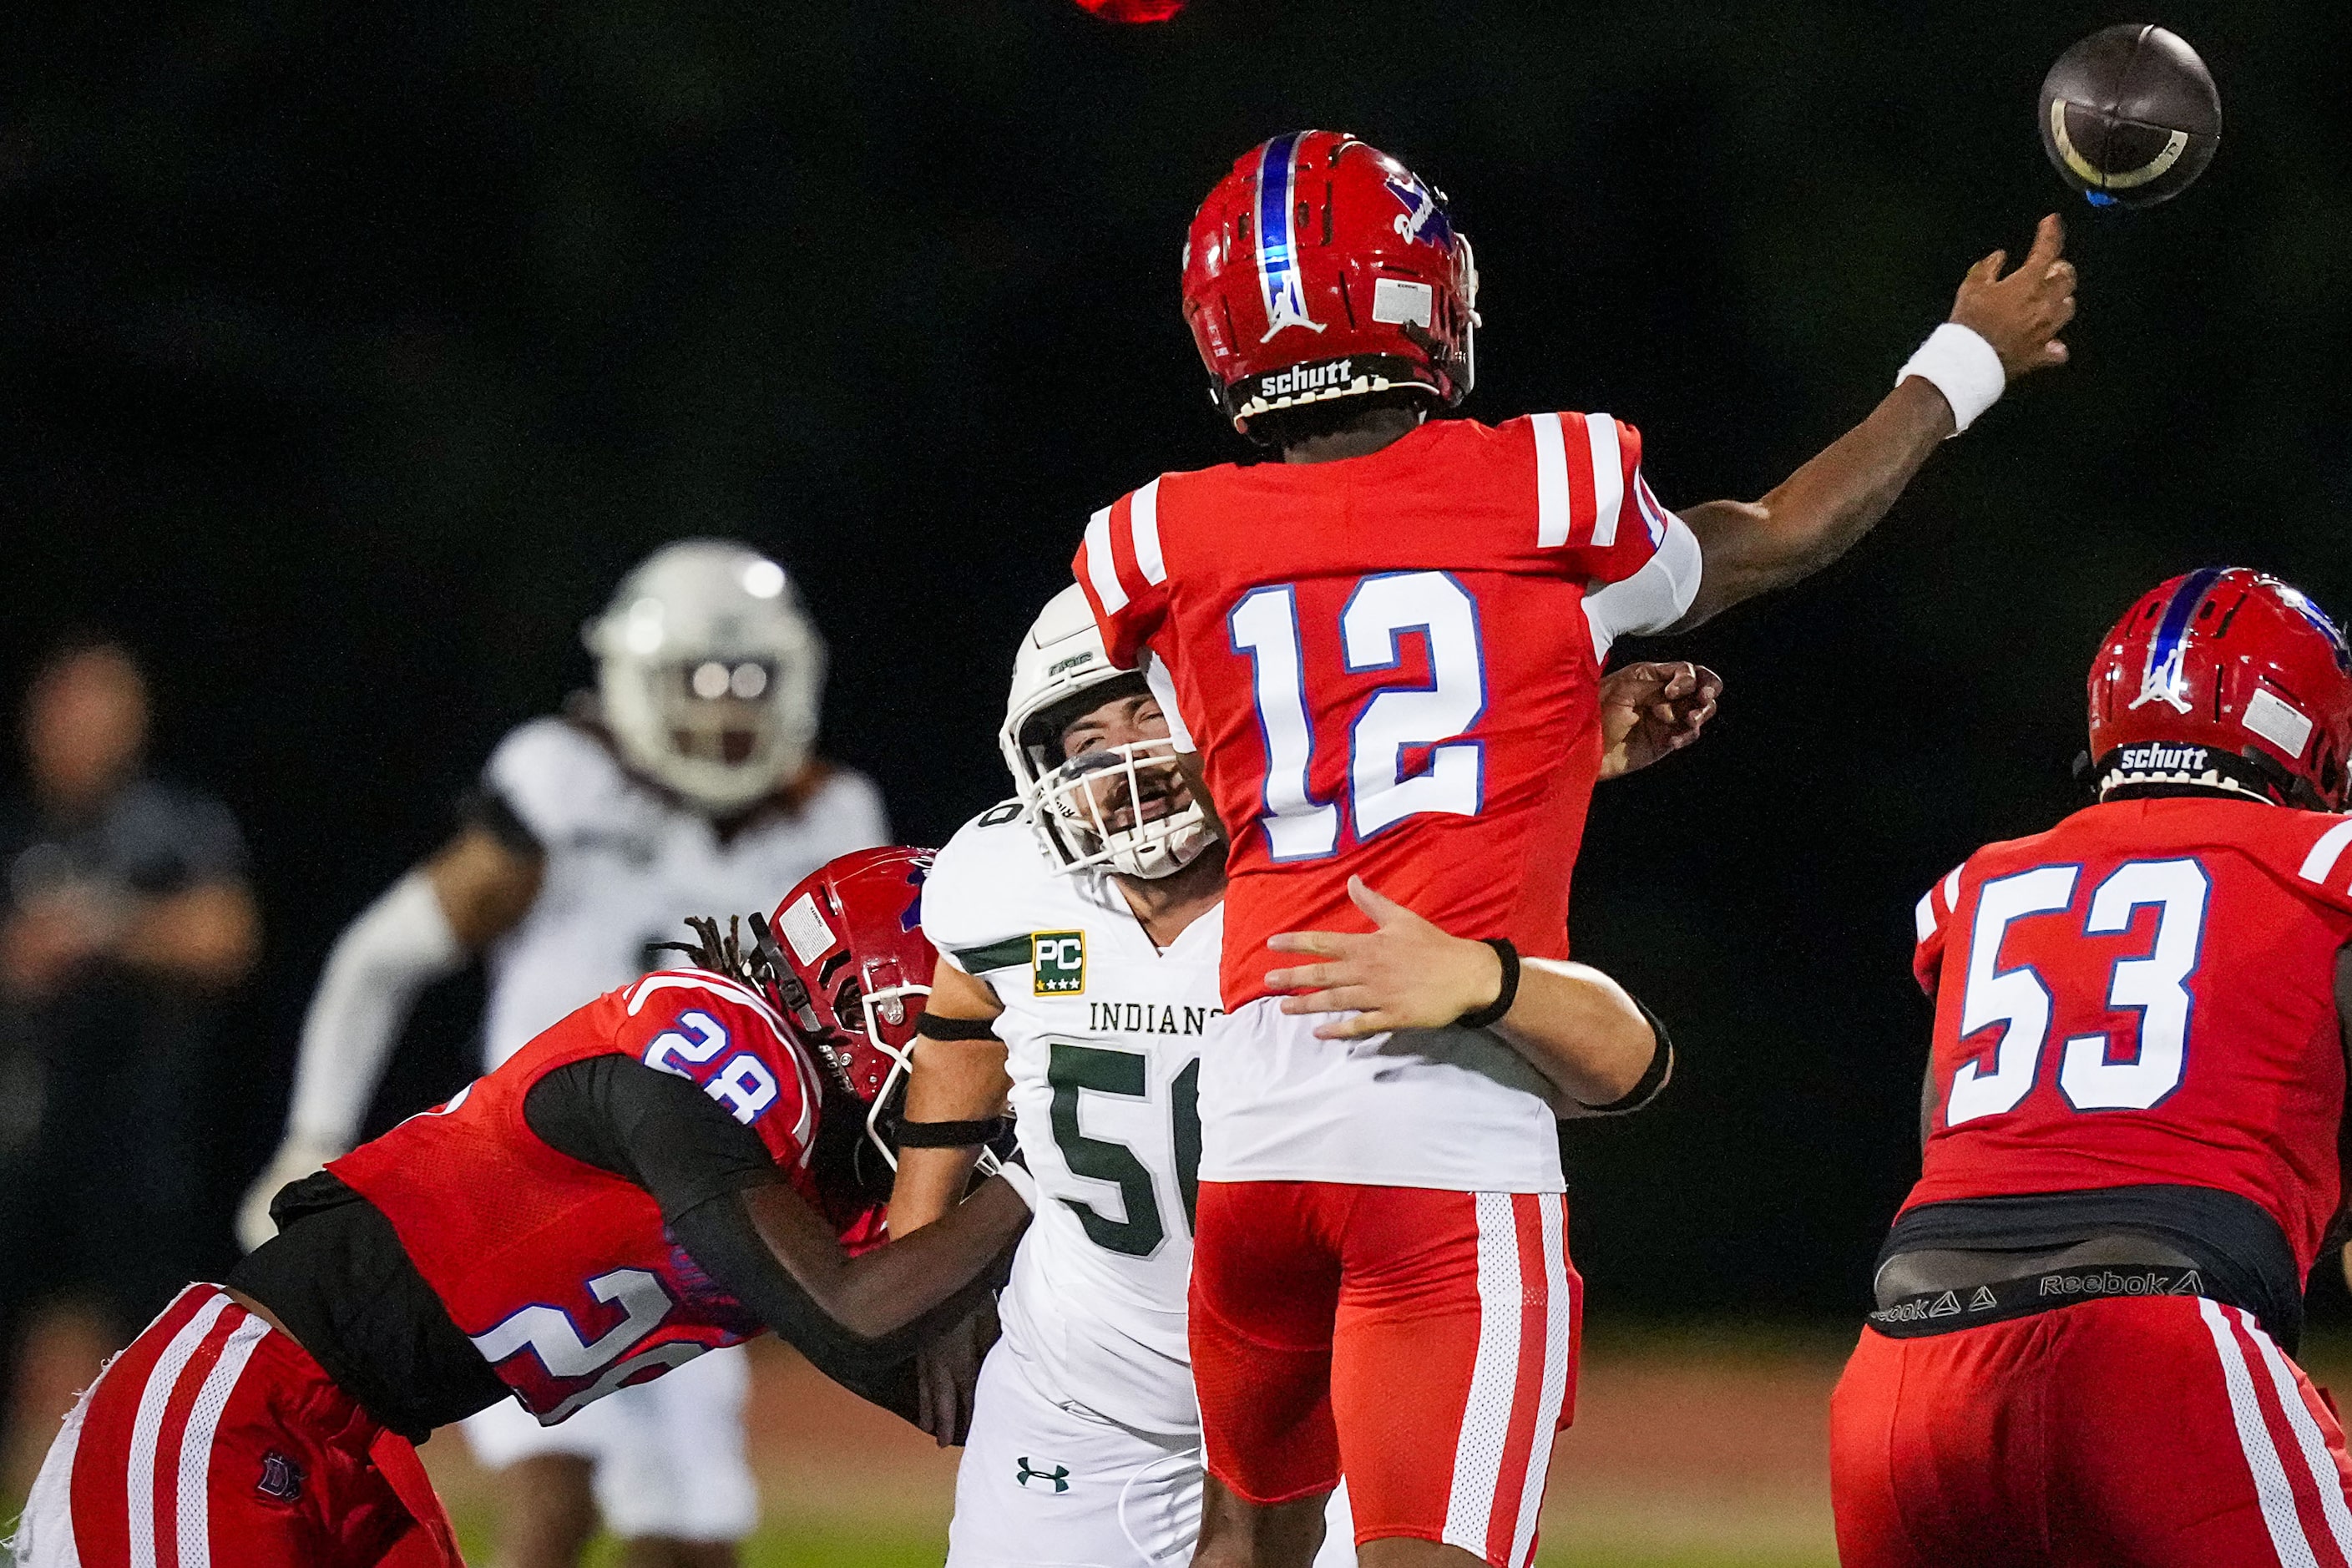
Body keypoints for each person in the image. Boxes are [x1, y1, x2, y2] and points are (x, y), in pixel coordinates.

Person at [1070, 130, 2079, 1568]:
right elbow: (1776, 536)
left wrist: (1562, 725)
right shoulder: (1553, 484)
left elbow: (1321, 739)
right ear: (1429, 297)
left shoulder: (1154, 540)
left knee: (1239, 1550)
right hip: (1443, 1126)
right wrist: (1958, 362)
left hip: (1249, 1140)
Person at [893, 587, 1716, 1567]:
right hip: (1078, 1401)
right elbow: (962, 1035)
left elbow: (1626, 1066)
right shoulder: (999, 876)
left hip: (1312, 1407)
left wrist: (1493, 968)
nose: (1124, 758)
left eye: (1152, 711)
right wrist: (922, 1257)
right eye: (1085, 736)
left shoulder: (1355, 865)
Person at [8, 847, 1029, 1568]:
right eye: (975, 1047)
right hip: (226, 1408)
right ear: (865, 1010)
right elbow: (859, 1311)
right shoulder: (708, 1046)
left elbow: (957, 1387)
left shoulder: (833, 1177)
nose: (992, 1089)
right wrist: (1044, 1175)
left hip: (364, 1446)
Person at [235, 539, 886, 1568]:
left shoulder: (830, 817)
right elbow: (379, 958)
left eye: (750, 679)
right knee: (558, 1496)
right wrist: (311, 1134)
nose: (725, 708)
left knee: (694, 1545)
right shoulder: (565, 782)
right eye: (699, 680)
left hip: (699, 1210)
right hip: (527, 1183)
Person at [1832, 569, 2352, 1567]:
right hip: (2151, 1354)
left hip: (1899, 1388)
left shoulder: (1978, 889)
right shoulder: (2320, 863)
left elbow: (1995, 1145)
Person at [0, 637, 260, 1448]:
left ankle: (151, 1504)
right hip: (25, 1124)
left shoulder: (174, 825)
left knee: (152, 1344)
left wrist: (108, 933)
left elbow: (228, 936)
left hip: (139, 1131)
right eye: (71, 708)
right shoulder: (17, 832)